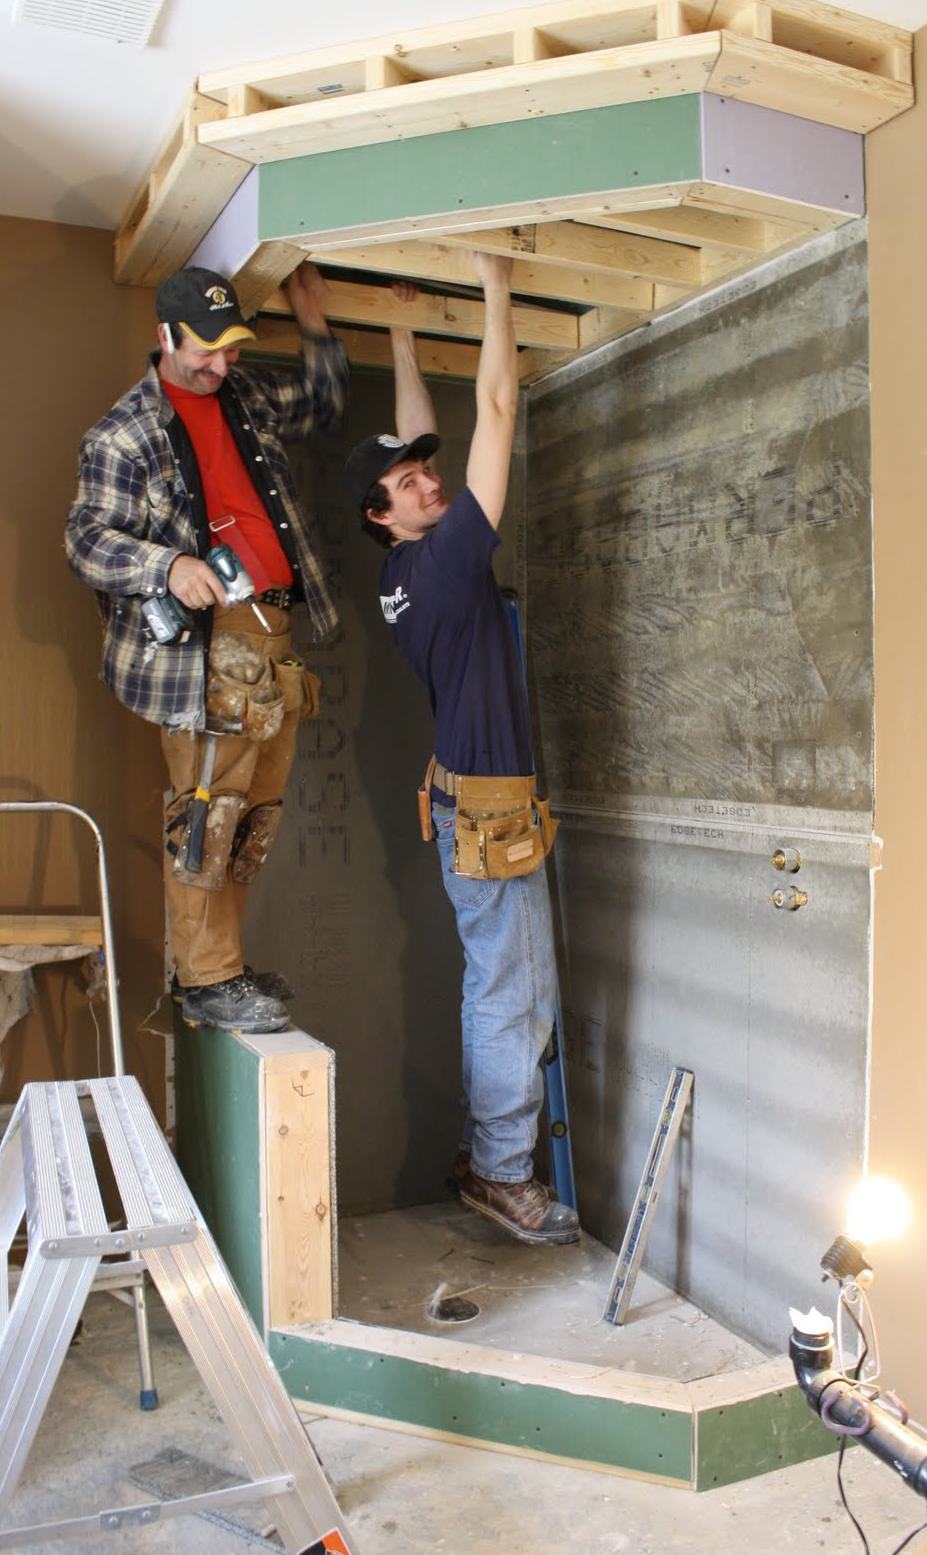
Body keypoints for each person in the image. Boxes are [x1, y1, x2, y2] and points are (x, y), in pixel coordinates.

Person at [343, 256, 579, 1246]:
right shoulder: (444, 561)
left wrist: (400, 341)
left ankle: (488, 1153)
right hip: (482, 811)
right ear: (380, 515)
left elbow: (422, 441)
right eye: (409, 482)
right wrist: (494, 287)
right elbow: (494, 404)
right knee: (511, 994)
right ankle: (497, 1171)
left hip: (467, 801)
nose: (429, 482)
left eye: (426, 471)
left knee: (501, 982)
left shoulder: (406, 567)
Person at [66, 263, 348, 1033]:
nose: (220, 364)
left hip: (274, 634)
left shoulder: (244, 395)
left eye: (230, 348)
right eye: (205, 350)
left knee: (252, 816)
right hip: (206, 646)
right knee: (208, 814)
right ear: (165, 336)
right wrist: (169, 564)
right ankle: (206, 976)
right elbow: (86, 541)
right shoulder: (123, 433)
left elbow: (322, 400)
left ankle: (218, 967)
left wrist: (312, 315)